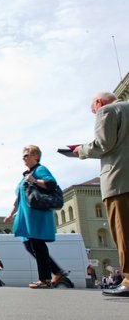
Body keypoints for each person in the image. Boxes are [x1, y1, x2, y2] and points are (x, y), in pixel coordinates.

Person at [73, 92, 129, 297]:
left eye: (92, 110)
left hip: (119, 179)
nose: (94, 113)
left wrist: (79, 150)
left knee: (123, 232)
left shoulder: (107, 110)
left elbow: (103, 143)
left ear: (98, 103)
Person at [4, 145, 68, 288]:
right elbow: (19, 198)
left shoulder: (40, 170)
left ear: (36, 156)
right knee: (29, 244)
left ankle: (45, 279)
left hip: (36, 213)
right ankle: (57, 271)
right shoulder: (26, 175)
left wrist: (34, 180)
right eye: (23, 155)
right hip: (26, 214)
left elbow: (51, 184)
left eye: (26, 155)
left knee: (37, 244)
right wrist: (10, 214)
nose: (23, 157)